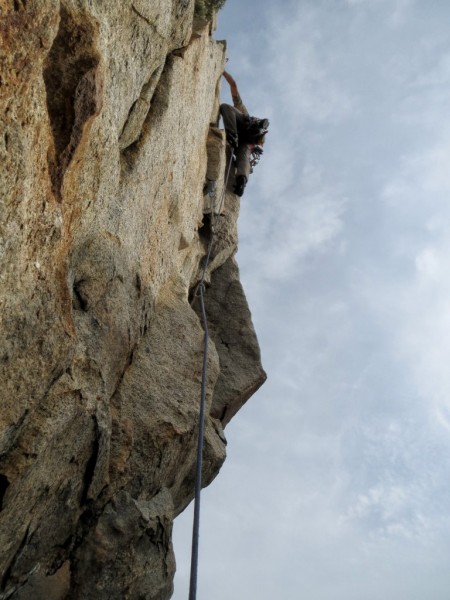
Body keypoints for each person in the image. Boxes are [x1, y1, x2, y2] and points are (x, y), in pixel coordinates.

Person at [220, 71, 269, 197]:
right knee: (244, 156)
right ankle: (242, 180)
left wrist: (223, 72)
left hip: (242, 139)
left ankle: (232, 135)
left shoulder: (244, 112)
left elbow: (233, 85)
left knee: (226, 107)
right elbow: (244, 159)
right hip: (245, 143)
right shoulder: (245, 116)